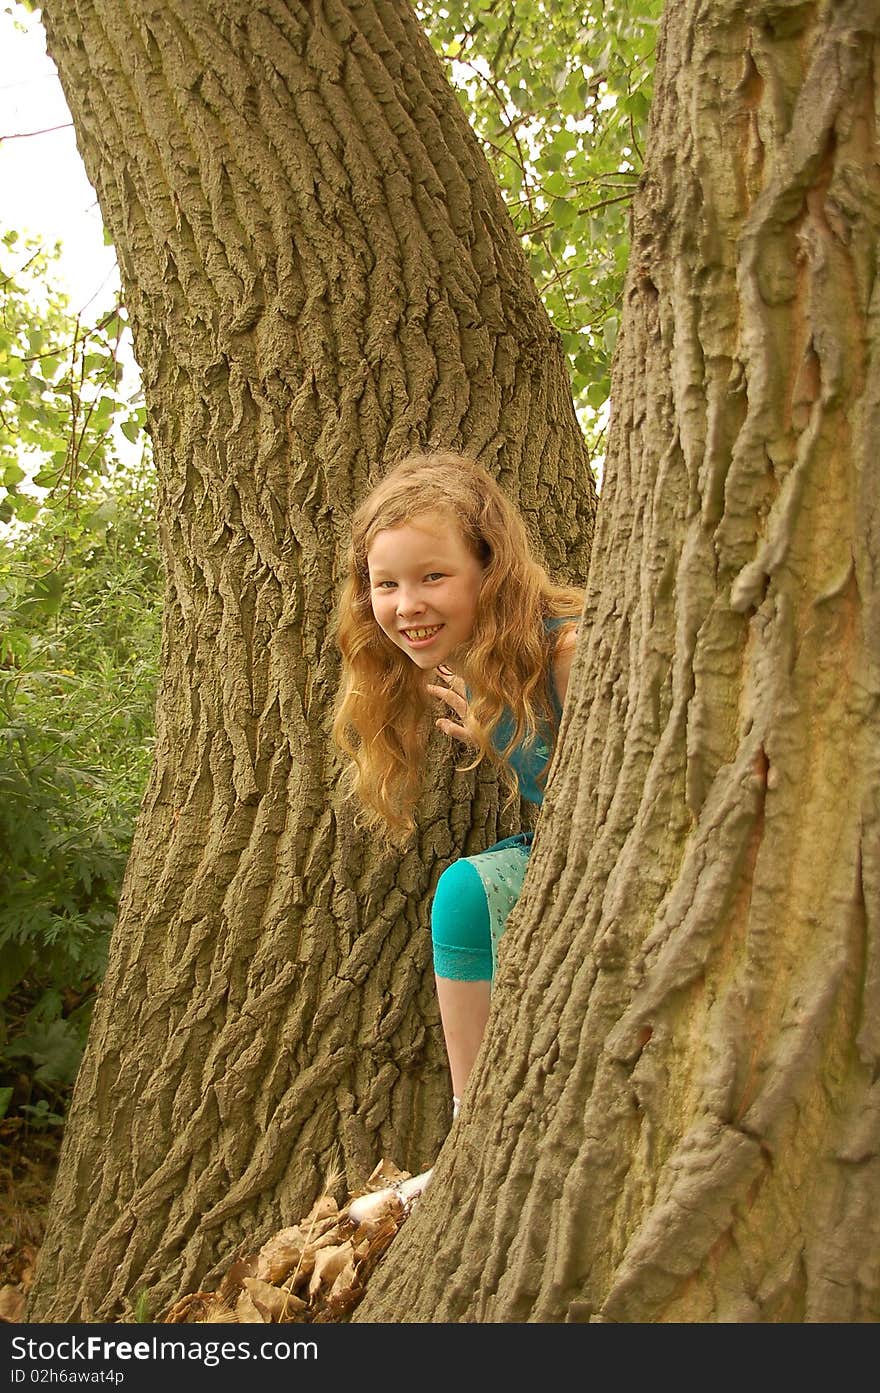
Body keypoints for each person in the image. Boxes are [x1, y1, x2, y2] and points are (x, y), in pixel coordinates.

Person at [332, 451, 583, 1219]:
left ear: (491, 570)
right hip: (570, 857)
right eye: (387, 583)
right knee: (465, 894)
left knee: (466, 891)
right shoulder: (480, 667)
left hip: (636, 871)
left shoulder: (571, 651)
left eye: (432, 576)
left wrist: (508, 733)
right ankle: (473, 1137)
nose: (407, 604)